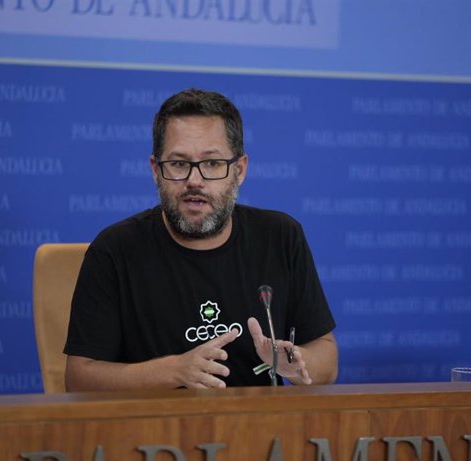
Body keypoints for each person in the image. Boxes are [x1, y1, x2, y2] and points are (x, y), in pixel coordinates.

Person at [64, 88, 337, 390]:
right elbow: (79, 379)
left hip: (259, 430)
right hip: (155, 432)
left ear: (239, 170)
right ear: (156, 170)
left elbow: (326, 358)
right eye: (179, 164)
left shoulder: (281, 236)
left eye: (212, 164)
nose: (195, 180)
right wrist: (175, 371)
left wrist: (297, 364)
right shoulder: (114, 250)